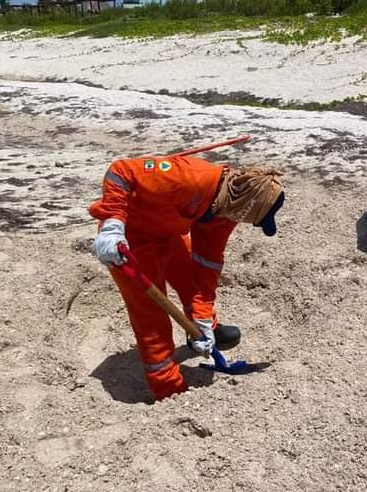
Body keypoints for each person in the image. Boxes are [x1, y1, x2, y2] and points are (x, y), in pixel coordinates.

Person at [88, 154, 284, 401]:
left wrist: (202, 316)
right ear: (248, 204)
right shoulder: (188, 178)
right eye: (252, 219)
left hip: (168, 233)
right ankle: (168, 387)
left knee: (191, 282)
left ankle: (204, 331)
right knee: (152, 319)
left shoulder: (227, 210)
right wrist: (112, 223)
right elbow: (121, 171)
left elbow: (207, 263)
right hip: (129, 241)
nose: (244, 223)